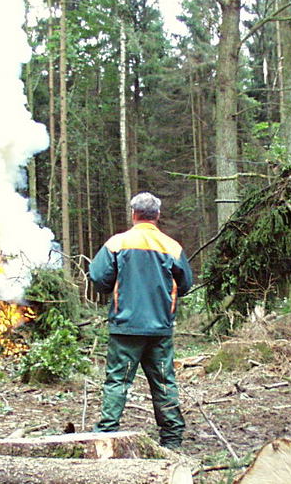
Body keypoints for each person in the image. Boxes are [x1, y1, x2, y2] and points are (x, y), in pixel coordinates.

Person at [89, 192, 193, 450]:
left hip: (125, 327)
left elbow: (98, 277)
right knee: (164, 382)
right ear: (157, 215)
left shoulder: (117, 243)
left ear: (133, 214)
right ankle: (171, 439)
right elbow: (186, 284)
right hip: (160, 328)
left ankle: (107, 434)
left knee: (117, 381)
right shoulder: (172, 246)